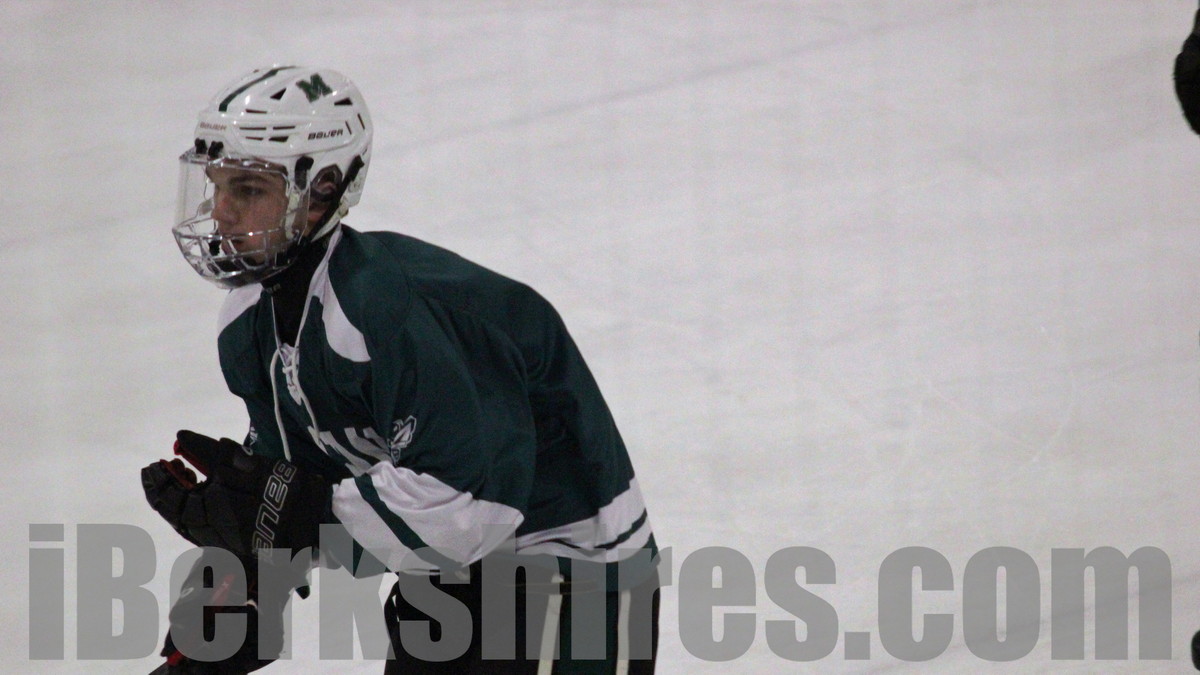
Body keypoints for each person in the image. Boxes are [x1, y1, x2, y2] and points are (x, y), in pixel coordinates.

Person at [142, 65, 660, 674]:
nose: (222, 212)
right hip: (452, 578)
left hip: (574, 571)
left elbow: (469, 507)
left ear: (323, 189)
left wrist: (310, 511)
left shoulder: (390, 312)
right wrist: (240, 584)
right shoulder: (249, 320)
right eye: (216, 186)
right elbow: (288, 483)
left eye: (249, 189)